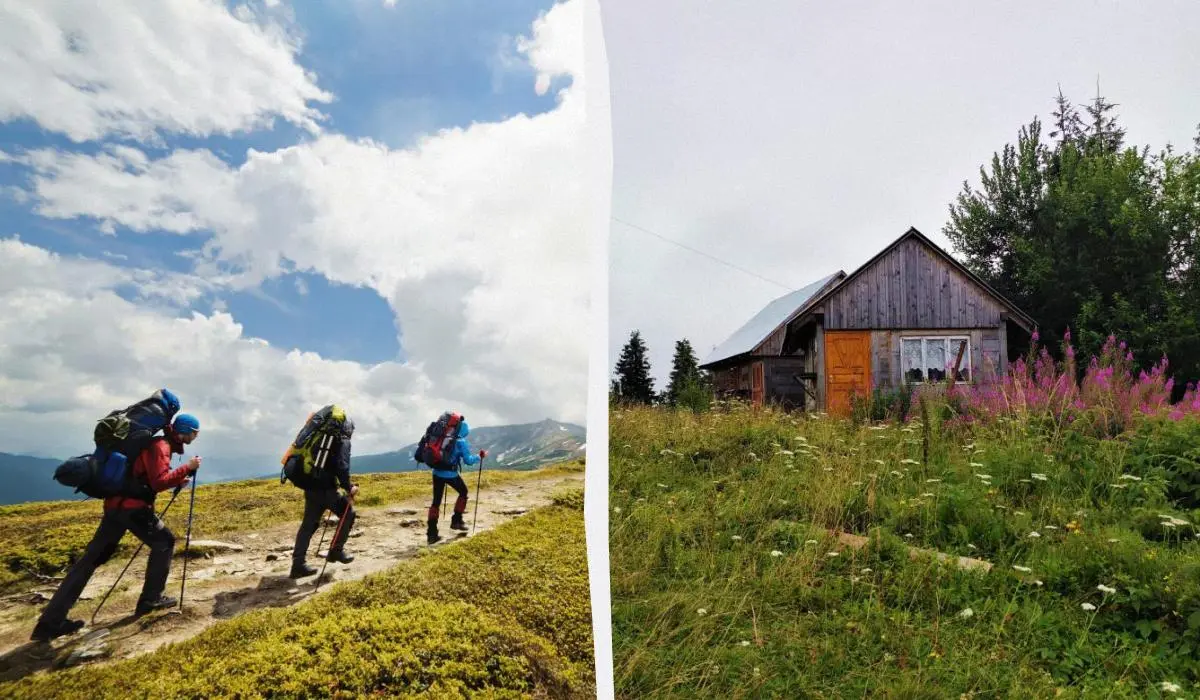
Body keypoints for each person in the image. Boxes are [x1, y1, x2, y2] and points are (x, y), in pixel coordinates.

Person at [31, 414, 203, 642]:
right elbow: (158, 482)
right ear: (185, 431)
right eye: (195, 432)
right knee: (164, 542)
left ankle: (49, 623)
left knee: (89, 561)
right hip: (134, 510)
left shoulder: (156, 444)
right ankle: (150, 600)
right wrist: (187, 468)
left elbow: (148, 476)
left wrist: (177, 478)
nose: (195, 436)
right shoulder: (160, 446)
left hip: (115, 508)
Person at [288, 413, 358, 579]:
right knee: (348, 514)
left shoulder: (321, 437)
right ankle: (336, 551)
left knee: (308, 525)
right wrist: (349, 488)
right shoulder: (342, 440)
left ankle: (297, 565)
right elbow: (342, 466)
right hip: (327, 489)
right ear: (349, 429)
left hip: (310, 487)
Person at [427, 418, 487, 545]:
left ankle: (431, 534)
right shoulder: (461, 442)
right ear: (464, 430)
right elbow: (468, 461)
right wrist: (479, 456)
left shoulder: (442, 437)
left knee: (436, 501)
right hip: (450, 474)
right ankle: (456, 521)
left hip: (436, 473)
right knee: (463, 492)